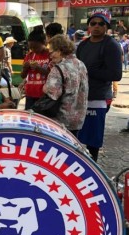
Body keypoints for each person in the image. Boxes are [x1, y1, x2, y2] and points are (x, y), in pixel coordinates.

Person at [76, 9, 123, 161]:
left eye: (101, 24)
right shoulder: (83, 45)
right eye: (93, 23)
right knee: (78, 137)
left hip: (99, 98)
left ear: (107, 26)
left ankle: (92, 168)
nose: (96, 26)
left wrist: (90, 71)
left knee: (92, 141)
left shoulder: (111, 45)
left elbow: (116, 75)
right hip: (80, 97)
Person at [43, 35, 88, 136]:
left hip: (61, 120)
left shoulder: (59, 68)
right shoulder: (81, 64)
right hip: (78, 119)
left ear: (59, 51)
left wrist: (44, 87)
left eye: (51, 52)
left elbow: (52, 93)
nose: (50, 56)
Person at [21, 28, 51, 109]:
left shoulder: (50, 55)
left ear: (44, 43)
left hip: (44, 95)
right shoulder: (29, 56)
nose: (34, 50)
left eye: (36, 47)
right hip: (30, 94)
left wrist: (39, 68)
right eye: (31, 48)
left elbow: (52, 74)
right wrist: (25, 68)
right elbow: (23, 76)